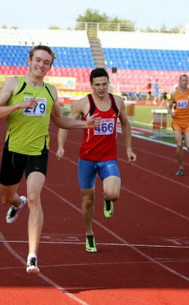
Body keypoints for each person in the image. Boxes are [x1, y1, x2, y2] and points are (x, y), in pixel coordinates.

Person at [0, 45, 101, 275]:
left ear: (50, 66)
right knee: (6, 197)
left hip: (38, 152)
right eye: (37, 60)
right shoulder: (14, 84)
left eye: (46, 62)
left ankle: (32, 257)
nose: (41, 65)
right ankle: (16, 204)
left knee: (34, 197)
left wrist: (84, 124)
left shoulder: (51, 92)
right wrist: (18, 105)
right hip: (13, 151)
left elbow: (59, 121)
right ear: (30, 60)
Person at [56, 68, 137, 253]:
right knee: (87, 201)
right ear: (91, 85)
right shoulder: (84, 103)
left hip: (108, 158)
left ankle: (107, 197)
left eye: (104, 84)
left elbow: (125, 124)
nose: (101, 88)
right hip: (87, 159)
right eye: (97, 85)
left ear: (109, 83)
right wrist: (61, 146)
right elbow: (65, 124)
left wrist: (129, 148)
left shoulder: (117, 102)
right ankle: (89, 234)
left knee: (114, 194)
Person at [167, 74, 189, 176]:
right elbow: (169, 107)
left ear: (188, 82)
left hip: (188, 122)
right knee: (179, 145)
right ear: (179, 81)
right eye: (183, 80)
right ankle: (180, 167)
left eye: (186, 80)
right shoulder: (174, 94)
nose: (184, 82)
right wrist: (171, 112)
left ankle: (184, 136)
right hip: (177, 122)